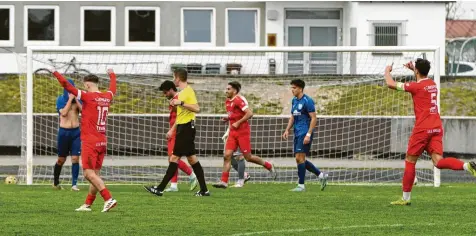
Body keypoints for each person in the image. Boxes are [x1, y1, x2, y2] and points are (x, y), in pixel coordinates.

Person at [384, 59, 476, 205]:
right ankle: (466, 166)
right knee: (438, 162)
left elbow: (391, 84)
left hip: (422, 128)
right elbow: (422, 81)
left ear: (416, 72)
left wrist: (387, 71)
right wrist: (414, 69)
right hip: (436, 127)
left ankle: (405, 199)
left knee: (410, 161)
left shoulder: (415, 86)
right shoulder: (432, 84)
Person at [52, 68, 118, 212]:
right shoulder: (107, 96)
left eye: (84, 85)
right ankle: (88, 204)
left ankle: (108, 198)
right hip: (102, 140)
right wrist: (112, 75)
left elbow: (67, 85)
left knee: (88, 174)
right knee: (95, 174)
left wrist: (55, 72)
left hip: (90, 141)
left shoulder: (87, 96)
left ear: (87, 85)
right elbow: (113, 87)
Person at [144, 68, 209, 196]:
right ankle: (204, 190)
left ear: (178, 78)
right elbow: (179, 117)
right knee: (192, 159)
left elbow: (197, 108)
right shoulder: (182, 92)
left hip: (187, 128)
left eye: (174, 77)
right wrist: (173, 130)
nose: (174, 80)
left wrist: (181, 102)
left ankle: (160, 188)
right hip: (183, 128)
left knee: (174, 158)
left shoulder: (188, 91)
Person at [213, 81, 276, 189]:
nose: (226, 91)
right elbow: (235, 114)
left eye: (228, 89)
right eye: (226, 89)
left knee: (248, 157)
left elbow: (249, 113)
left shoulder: (238, 100)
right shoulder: (228, 102)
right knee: (227, 155)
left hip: (242, 132)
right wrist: (228, 118)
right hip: (233, 132)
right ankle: (224, 181)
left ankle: (268, 165)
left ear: (235, 90)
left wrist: (238, 122)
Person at [282, 79, 328, 192]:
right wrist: (287, 129)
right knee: (300, 158)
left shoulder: (308, 101)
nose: (292, 90)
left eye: (294, 88)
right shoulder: (294, 101)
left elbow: (314, 118)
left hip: (304, 132)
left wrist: (308, 134)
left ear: (300, 88)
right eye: (291, 88)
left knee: (299, 158)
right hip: (297, 132)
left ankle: (301, 185)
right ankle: (321, 175)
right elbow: (293, 116)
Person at [158, 80, 197, 192]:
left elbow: (182, 115)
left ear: (171, 89)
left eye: (165, 92)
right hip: (175, 130)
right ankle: (174, 185)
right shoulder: (174, 100)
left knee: (173, 158)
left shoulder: (179, 99)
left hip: (178, 131)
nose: (164, 95)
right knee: (172, 159)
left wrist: (172, 130)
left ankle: (192, 174)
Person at [54, 79, 81, 191]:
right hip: (64, 133)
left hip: (76, 132)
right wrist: (70, 100)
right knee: (61, 159)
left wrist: (76, 99)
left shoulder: (78, 100)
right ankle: (56, 182)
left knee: (75, 158)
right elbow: (63, 113)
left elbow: (84, 111)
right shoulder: (61, 99)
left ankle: (74, 184)